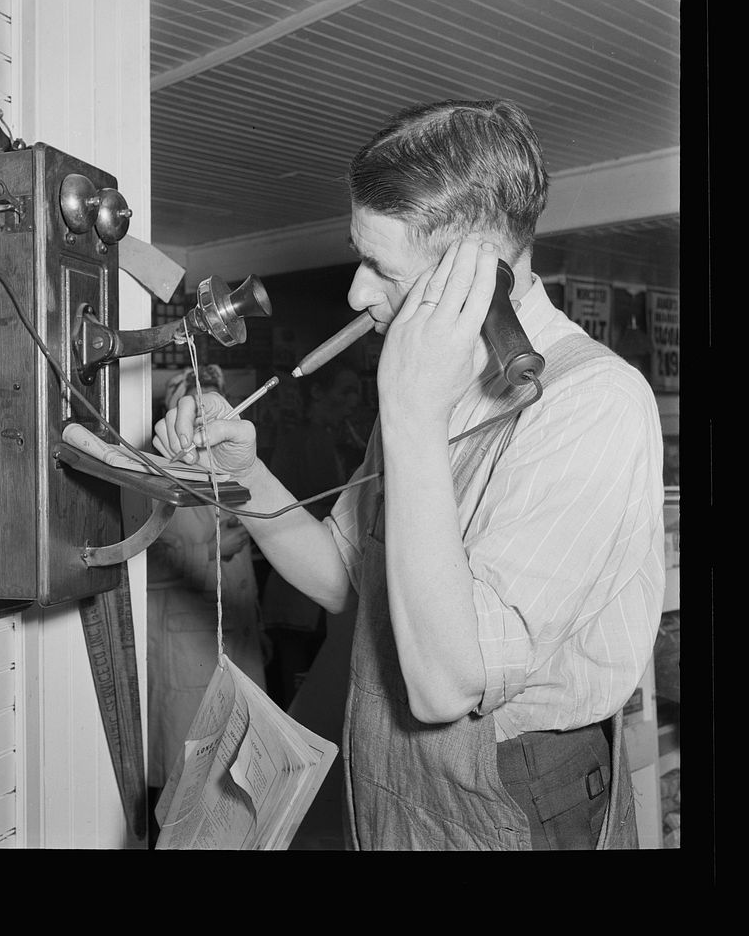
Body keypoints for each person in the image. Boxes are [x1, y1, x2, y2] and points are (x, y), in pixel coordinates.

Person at [153, 98, 665, 850]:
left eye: (380, 267)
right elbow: (341, 581)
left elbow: (446, 684)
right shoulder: (437, 387)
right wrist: (248, 471)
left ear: (478, 273)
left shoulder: (595, 403)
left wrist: (412, 415)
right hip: (390, 767)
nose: (358, 293)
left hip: (516, 789)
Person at [145, 366, 268, 807]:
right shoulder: (156, 477)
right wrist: (212, 550)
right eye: (195, 412)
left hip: (238, 642)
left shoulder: (231, 474)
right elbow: (141, 569)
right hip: (186, 651)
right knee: (189, 782)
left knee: (239, 779)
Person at [262, 362, 361, 707]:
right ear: (318, 393)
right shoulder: (305, 440)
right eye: (345, 391)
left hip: (321, 598)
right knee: (303, 694)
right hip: (301, 588)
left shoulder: (336, 440)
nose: (353, 401)